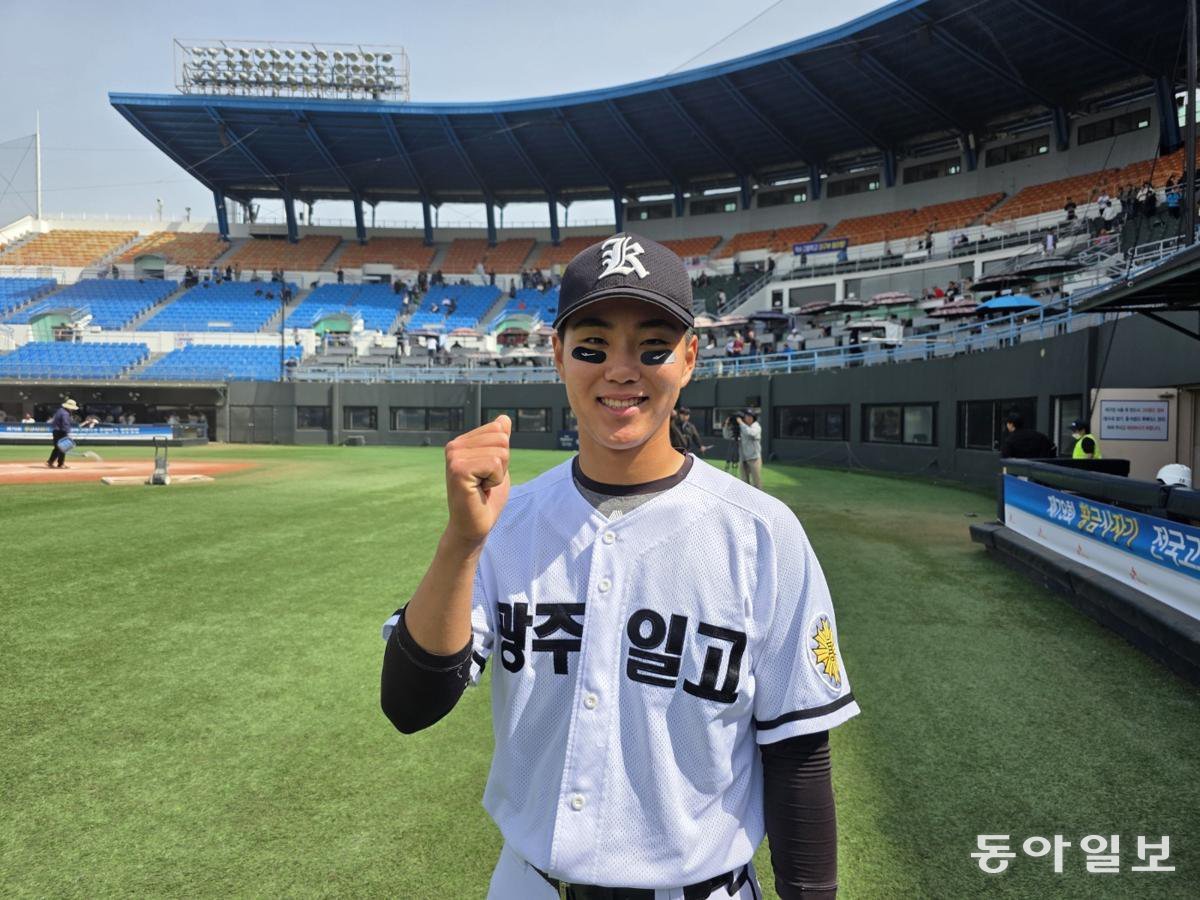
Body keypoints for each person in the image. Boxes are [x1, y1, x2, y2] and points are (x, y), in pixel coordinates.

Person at [380, 232, 859, 900]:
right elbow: (410, 705)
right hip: (529, 885)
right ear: (557, 355)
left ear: (689, 358)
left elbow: (798, 752)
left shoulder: (761, 533)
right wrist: (461, 542)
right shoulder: (508, 522)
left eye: (653, 347)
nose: (621, 370)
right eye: (593, 347)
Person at [47, 398, 77, 469]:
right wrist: (68, 433)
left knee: (57, 448)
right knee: (63, 448)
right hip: (61, 432)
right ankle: (60, 464)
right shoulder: (65, 413)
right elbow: (65, 423)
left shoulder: (60, 410)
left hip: (55, 431)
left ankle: (50, 462)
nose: (73, 410)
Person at [736, 408, 763, 488]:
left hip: (754, 458)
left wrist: (741, 423)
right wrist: (726, 426)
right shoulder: (742, 427)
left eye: (751, 416)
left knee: (756, 483)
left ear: (754, 418)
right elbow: (727, 436)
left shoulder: (756, 426)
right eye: (747, 416)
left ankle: (758, 496)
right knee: (744, 482)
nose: (748, 418)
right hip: (743, 458)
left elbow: (751, 433)